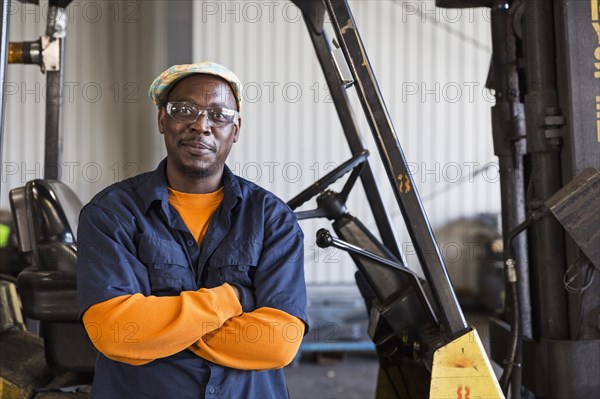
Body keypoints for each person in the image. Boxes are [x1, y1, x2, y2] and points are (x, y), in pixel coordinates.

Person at [77, 62, 308, 399]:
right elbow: (114, 332)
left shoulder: (272, 218)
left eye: (219, 114)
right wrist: (234, 298)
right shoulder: (111, 214)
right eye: (184, 110)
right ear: (162, 120)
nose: (201, 126)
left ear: (236, 129)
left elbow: (278, 344)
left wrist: (158, 329)